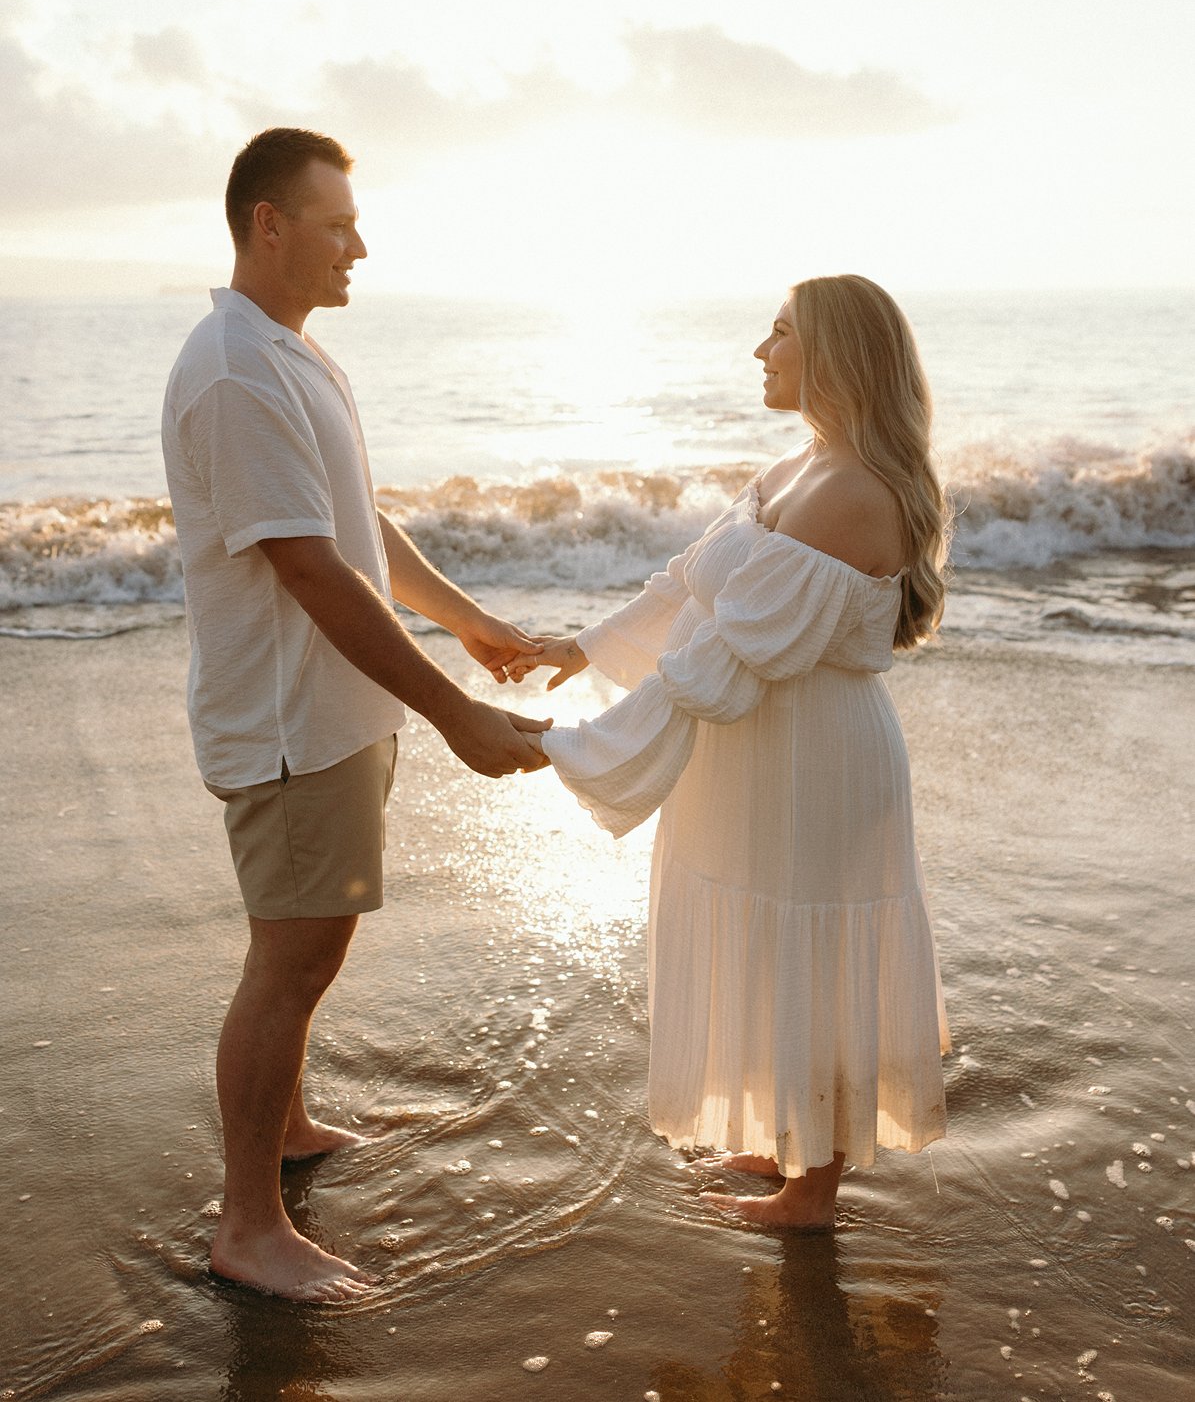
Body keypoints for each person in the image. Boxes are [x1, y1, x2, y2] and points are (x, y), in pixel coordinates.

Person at [161, 127, 551, 1301]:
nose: (360, 247)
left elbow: (358, 531)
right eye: (337, 225)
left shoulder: (294, 355)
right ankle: (248, 1226)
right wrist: (454, 714)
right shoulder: (234, 370)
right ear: (267, 224)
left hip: (334, 712)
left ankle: (283, 1129)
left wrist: (464, 621)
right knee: (293, 958)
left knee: (301, 951)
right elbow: (310, 571)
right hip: (288, 723)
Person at [516, 275, 951, 1231]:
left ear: (835, 354)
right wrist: (581, 647)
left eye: (781, 333)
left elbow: (725, 651)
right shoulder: (802, 462)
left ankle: (814, 1190)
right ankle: (789, 1133)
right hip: (755, 742)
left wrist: (577, 747)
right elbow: (692, 588)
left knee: (809, 943)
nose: (760, 350)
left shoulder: (849, 489)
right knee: (763, 942)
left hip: (813, 754)